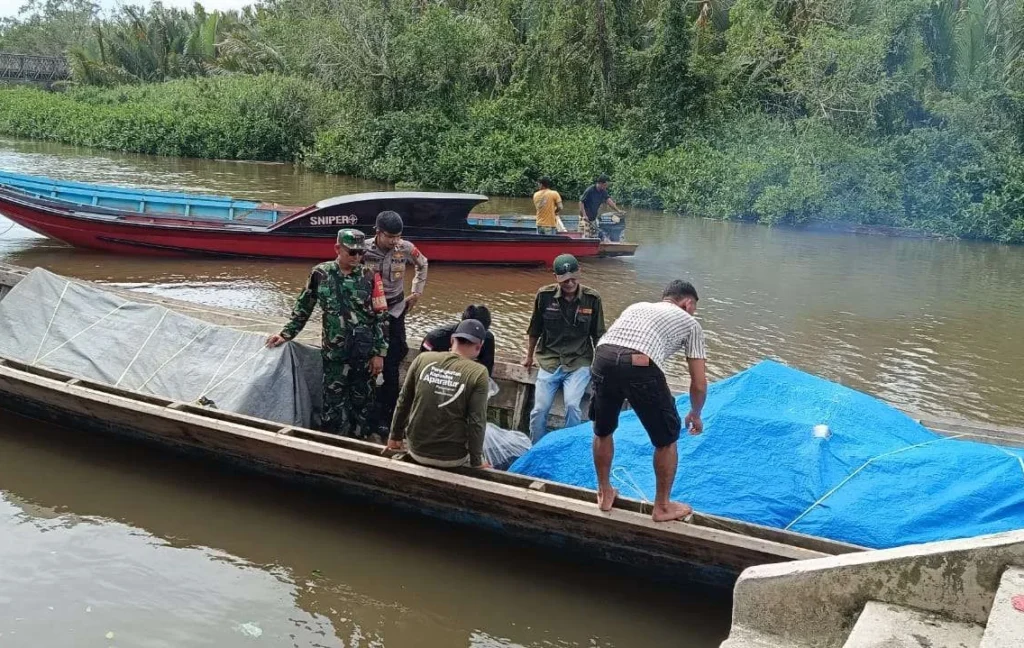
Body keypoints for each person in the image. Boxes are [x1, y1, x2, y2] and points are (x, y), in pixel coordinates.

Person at [589, 280, 708, 522]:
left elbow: (616, 346)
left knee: (603, 430)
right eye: (693, 307)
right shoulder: (691, 323)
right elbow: (698, 383)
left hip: (602, 357)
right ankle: (662, 506)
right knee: (667, 439)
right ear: (688, 303)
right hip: (640, 362)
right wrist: (695, 413)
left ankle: (604, 492)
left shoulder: (636, 307)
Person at [266, 229, 387, 440]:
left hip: (364, 354)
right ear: (337, 249)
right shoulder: (320, 274)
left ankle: (362, 442)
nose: (357, 258)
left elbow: (382, 317)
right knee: (332, 403)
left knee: (363, 403)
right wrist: (286, 334)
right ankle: (331, 442)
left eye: (361, 253)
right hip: (334, 354)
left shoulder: (370, 277)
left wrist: (379, 353)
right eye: (352, 253)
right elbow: (304, 307)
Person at [523, 253, 605, 443]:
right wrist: (529, 356)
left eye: (573, 278)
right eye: (564, 280)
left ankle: (569, 446)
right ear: (556, 278)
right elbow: (534, 329)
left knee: (572, 406)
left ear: (579, 273)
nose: (569, 284)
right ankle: (537, 448)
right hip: (549, 360)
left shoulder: (592, 299)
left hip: (579, 361)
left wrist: (600, 366)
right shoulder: (544, 296)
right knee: (539, 409)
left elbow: (598, 335)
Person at [388, 319, 491, 469]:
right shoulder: (479, 372)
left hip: (416, 450)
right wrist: (477, 462)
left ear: (451, 340)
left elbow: (404, 400)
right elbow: (477, 422)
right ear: (479, 346)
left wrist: (394, 437)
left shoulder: (422, 359)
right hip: (452, 458)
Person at [364, 210, 429, 438]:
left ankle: (386, 414)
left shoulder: (406, 248)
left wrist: (416, 293)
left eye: (397, 236)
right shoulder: (363, 249)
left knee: (394, 358)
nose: (394, 242)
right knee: (367, 360)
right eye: (390, 237)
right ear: (378, 232)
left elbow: (423, 263)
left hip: (395, 310)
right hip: (369, 313)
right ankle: (366, 412)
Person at [420, 304, 496, 376]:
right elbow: (423, 368)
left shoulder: (487, 338)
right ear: (452, 340)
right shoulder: (434, 338)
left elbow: (486, 371)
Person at [578, 173, 621, 239]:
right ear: (600, 183)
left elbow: (609, 201)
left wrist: (618, 210)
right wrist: (584, 215)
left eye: (607, 185)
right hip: (585, 219)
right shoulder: (590, 190)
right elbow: (581, 202)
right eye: (605, 185)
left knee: (594, 238)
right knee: (585, 239)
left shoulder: (603, 191)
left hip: (593, 219)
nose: (606, 187)